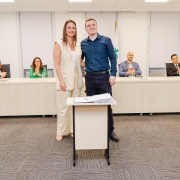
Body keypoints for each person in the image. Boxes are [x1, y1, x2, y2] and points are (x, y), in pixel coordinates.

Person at [81, 18, 119, 142]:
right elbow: (79, 61)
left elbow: (113, 58)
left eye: (93, 25)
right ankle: (94, 130)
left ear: (97, 26)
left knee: (106, 105)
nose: (91, 27)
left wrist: (113, 74)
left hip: (104, 77)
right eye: (88, 25)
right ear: (85, 28)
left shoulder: (106, 40)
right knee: (91, 106)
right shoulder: (82, 43)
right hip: (90, 78)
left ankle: (110, 131)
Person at [53, 20, 84, 141]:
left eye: (73, 28)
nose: (71, 30)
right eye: (69, 27)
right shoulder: (59, 44)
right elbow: (56, 63)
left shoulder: (77, 45)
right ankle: (61, 131)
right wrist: (61, 80)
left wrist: (96, 61)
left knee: (74, 106)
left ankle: (72, 129)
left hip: (77, 77)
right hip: (64, 78)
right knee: (63, 107)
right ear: (65, 29)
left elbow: (79, 62)